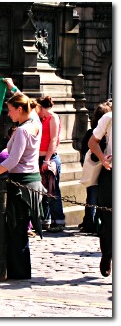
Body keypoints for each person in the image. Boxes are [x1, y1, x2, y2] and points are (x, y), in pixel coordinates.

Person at [0, 78, 45, 279]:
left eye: (10, 110)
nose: (8, 114)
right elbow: (29, 104)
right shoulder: (35, 121)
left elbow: (11, 161)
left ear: (19, 109)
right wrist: (12, 86)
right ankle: (15, 268)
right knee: (17, 228)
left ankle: (20, 272)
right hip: (31, 181)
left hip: (22, 183)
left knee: (17, 230)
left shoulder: (24, 130)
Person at [78, 100, 112, 234]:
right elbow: (92, 145)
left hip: (97, 168)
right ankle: (94, 223)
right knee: (97, 199)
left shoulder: (91, 131)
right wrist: (103, 159)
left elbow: (84, 148)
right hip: (103, 168)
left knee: (92, 197)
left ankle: (90, 222)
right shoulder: (103, 129)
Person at [88, 109, 112, 277]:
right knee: (108, 219)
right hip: (111, 174)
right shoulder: (109, 117)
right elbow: (92, 142)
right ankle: (107, 254)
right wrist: (103, 159)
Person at [36, 96, 65, 233]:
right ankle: (44, 220)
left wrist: (47, 160)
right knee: (41, 191)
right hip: (38, 157)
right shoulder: (39, 119)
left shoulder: (53, 117)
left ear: (41, 107)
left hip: (50, 158)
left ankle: (58, 221)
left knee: (53, 191)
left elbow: (53, 140)